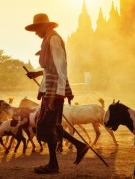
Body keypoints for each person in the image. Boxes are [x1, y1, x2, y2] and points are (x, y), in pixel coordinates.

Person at [25, 13, 89, 174]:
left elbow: (60, 67)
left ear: (45, 26)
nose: (35, 33)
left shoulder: (53, 39)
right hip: (51, 90)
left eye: (37, 28)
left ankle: (54, 165)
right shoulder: (48, 39)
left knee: (44, 127)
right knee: (54, 125)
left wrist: (56, 94)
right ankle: (79, 146)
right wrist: (37, 74)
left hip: (54, 92)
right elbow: (50, 68)